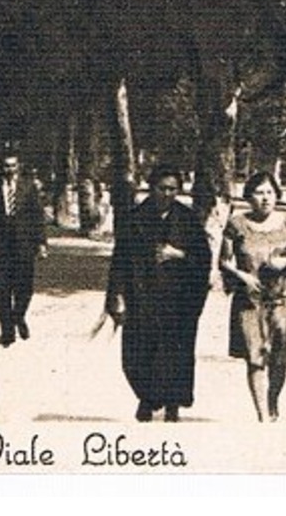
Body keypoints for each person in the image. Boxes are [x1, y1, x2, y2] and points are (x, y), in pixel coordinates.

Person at [105, 164, 211, 422]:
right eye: (162, 188)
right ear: (151, 188)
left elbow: (203, 259)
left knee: (175, 353)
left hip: (179, 299)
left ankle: (172, 404)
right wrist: (116, 296)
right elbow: (119, 260)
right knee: (137, 352)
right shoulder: (134, 219)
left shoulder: (188, 220)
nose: (167, 194)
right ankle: (146, 396)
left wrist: (180, 254)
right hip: (142, 296)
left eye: (173, 189)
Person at [220, 171, 286, 422]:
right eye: (259, 192)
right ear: (249, 196)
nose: (265, 198)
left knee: (279, 361)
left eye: (270, 192)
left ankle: (273, 399)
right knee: (254, 358)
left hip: (281, 300)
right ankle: (262, 416)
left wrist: (284, 262)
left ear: (277, 195)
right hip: (249, 300)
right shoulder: (237, 224)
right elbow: (224, 261)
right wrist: (243, 276)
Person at [0, 151, 47, 346]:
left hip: (24, 247)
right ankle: (7, 332)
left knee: (25, 289)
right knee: (1, 291)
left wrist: (41, 243)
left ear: (18, 166)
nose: (9, 169)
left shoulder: (29, 188)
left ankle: (18, 316)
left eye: (13, 165)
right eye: (6, 166)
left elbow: (38, 217)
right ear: (1, 168)